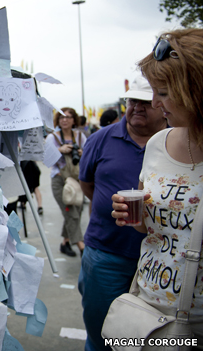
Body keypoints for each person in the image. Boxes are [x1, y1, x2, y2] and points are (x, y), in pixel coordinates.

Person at [112, 28, 203, 340]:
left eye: (163, 93)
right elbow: (149, 229)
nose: (154, 102)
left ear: (197, 89)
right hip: (148, 308)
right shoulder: (157, 143)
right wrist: (130, 215)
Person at [77, 76, 167, 351]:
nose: (137, 107)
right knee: (102, 332)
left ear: (161, 104)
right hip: (107, 254)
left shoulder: (179, 141)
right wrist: (109, 208)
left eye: (145, 102)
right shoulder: (100, 139)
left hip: (163, 259)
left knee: (158, 337)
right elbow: (87, 184)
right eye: (132, 101)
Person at [45, 107, 86, 257]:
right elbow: (47, 161)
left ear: (74, 120)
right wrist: (59, 150)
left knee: (77, 211)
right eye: (61, 117)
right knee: (70, 212)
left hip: (76, 179)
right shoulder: (52, 138)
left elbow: (89, 157)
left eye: (68, 117)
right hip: (59, 180)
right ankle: (82, 247)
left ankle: (65, 243)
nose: (65, 120)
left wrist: (82, 153)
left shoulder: (80, 137)